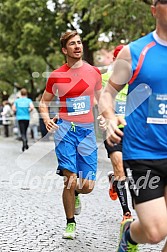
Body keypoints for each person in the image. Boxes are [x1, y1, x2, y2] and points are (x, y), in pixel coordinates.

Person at [99, 1, 167, 251]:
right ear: (154, 9)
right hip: (144, 153)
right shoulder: (135, 51)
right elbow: (108, 94)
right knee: (155, 230)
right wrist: (109, 116)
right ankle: (129, 235)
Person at [39, 30, 103, 240]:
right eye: (72, 44)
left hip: (86, 132)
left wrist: (104, 116)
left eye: (79, 43)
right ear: (64, 50)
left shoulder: (94, 72)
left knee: (87, 186)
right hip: (65, 130)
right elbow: (43, 102)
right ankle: (70, 223)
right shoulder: (57, 75)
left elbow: (101, 100)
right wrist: (47, 118)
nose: (77, 46)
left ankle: (76, 194)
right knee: (70, 179)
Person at [102, 45, 132, 223]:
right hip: (112, 131)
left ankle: (114, 180)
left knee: (130, 171)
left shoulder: (138, 80)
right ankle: (126, 213)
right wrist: (102, 116)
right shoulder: (105, 79)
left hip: (134, 132)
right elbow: (97, 99)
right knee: (119, 166)